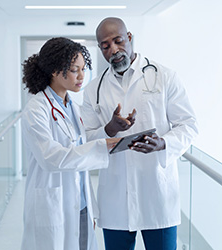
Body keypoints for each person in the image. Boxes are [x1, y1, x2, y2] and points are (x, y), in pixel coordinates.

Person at [81, 17, 199, 250]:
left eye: (118, 41)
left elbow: (189, 124)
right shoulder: (93, 89)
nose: (113, 50)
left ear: (130, 38)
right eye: (105, 45)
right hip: (116, 197)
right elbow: (85, 138)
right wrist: (110, 129)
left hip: (157, 192)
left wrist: (163, 143)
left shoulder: (165, 77)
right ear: (100, 49)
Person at [20, 37, 120, 250]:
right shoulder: (36, 109)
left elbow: (80, 144)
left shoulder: (71, 106)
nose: (82, 76)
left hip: (81, 203)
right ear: (56, 71)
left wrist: (109, 132)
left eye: (84, 69)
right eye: (75, 70)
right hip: (53, 203)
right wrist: (102, 147)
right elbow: (51, 158)